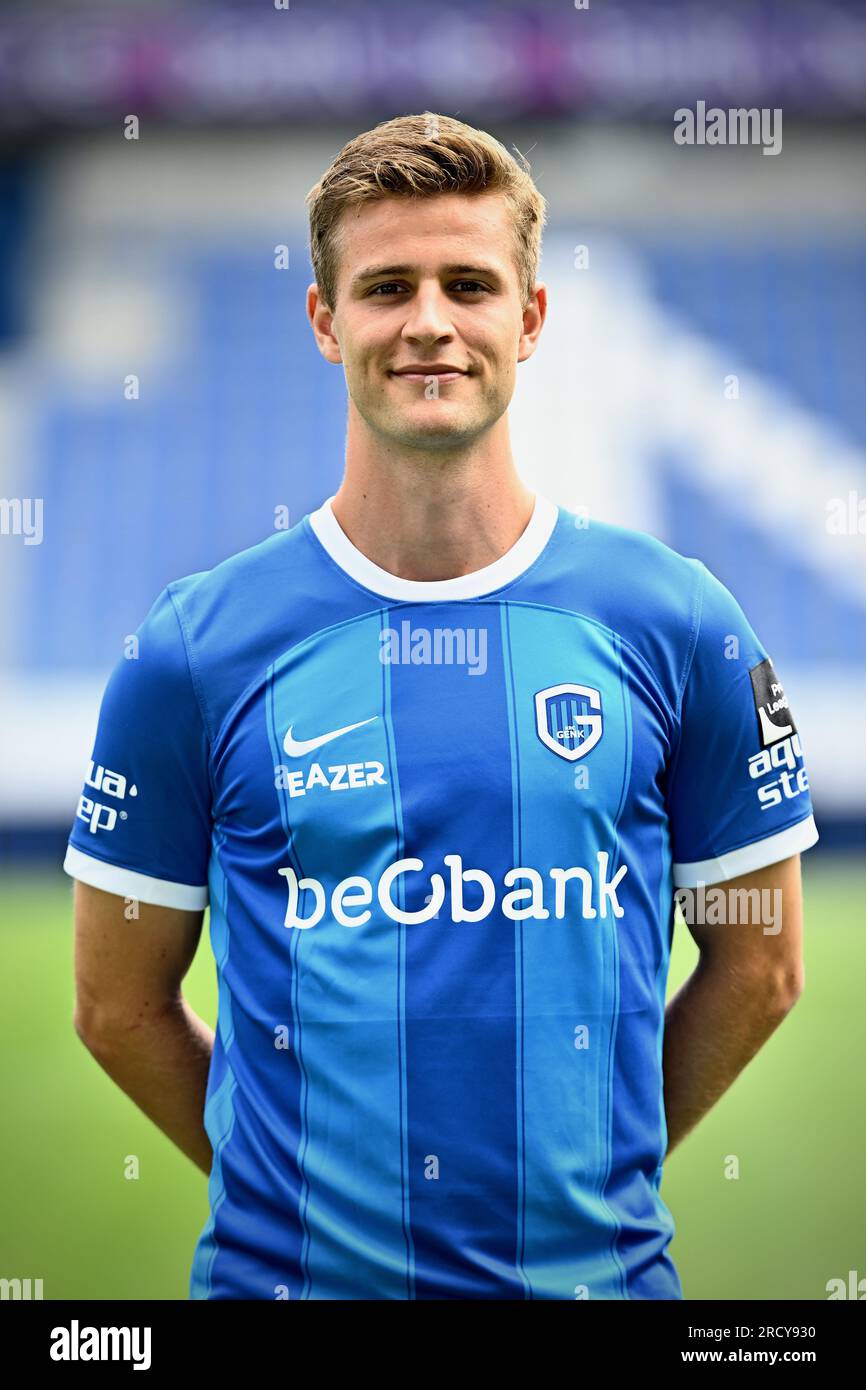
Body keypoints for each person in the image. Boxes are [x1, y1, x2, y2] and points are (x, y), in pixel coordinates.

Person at [64, 112, 818, 1301]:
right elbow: (115, 1006)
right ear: (324, 321)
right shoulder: (193, 648)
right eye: (385, 287)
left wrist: (570, 1189)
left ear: (528, 318)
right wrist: (297, 1198)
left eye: (468, 283)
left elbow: (760, 965)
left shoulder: (676, 619)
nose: (428, 322)